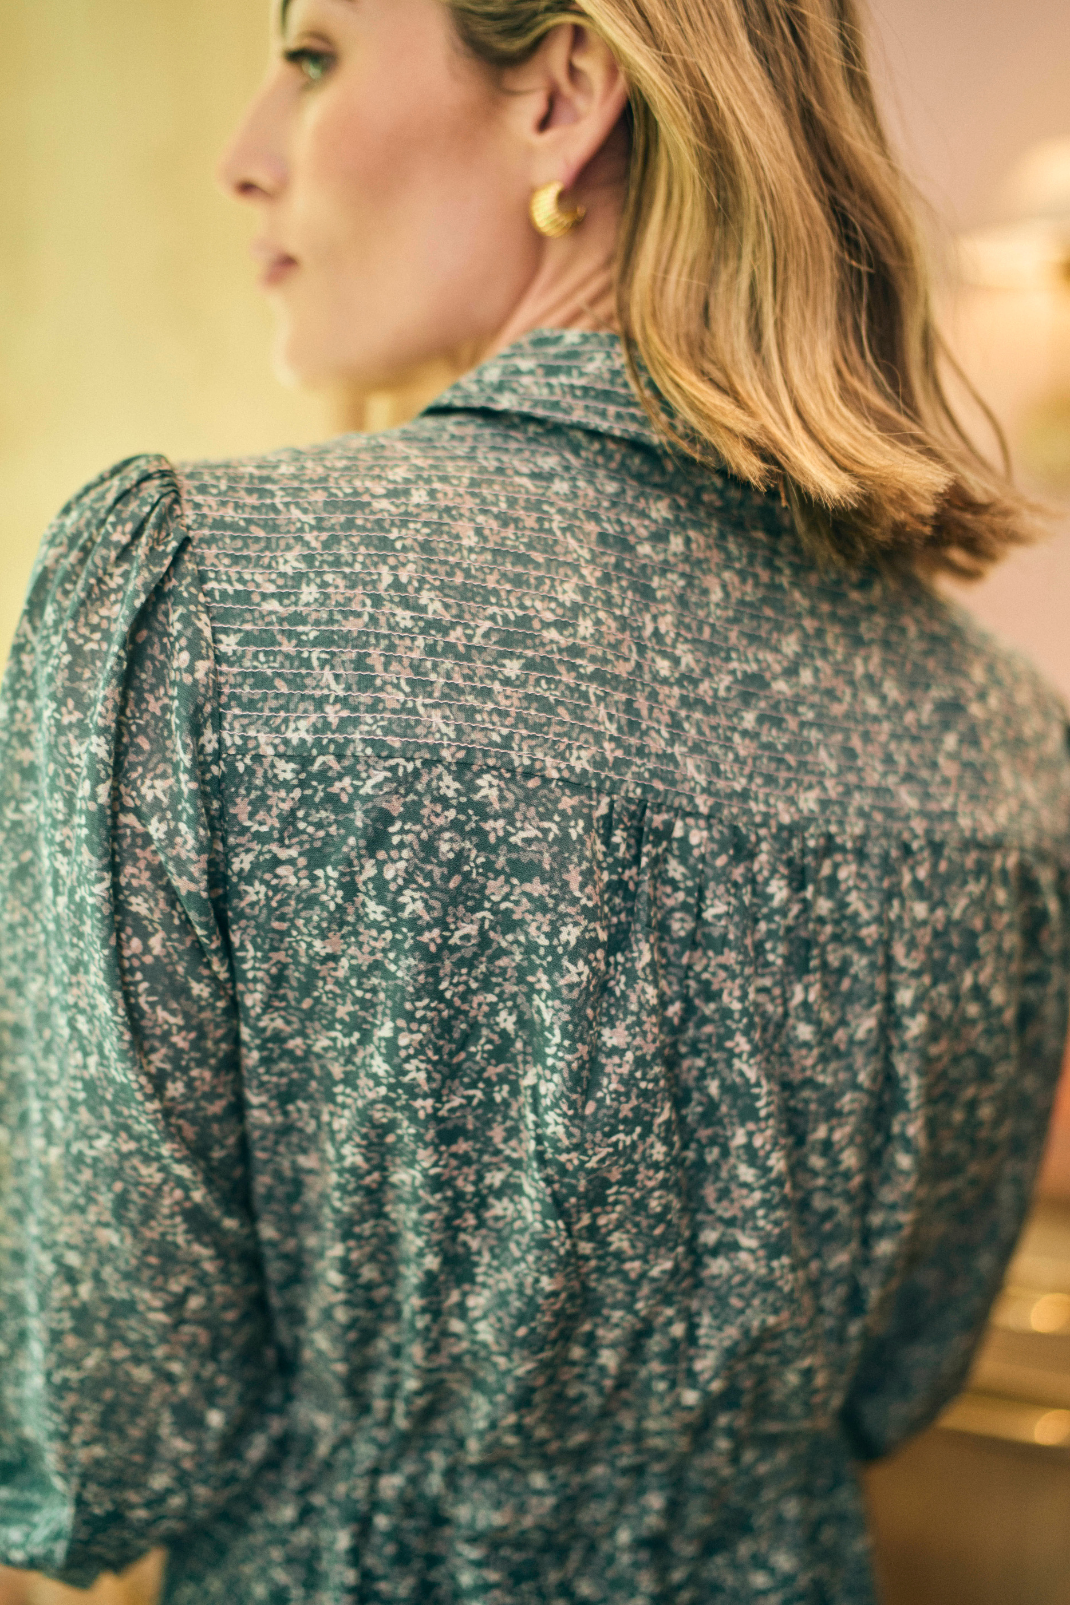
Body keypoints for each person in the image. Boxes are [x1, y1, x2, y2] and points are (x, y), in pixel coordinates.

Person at [1, 0, 1068, 1600]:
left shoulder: (209, 601)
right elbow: (903, 1374)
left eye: (311, 56)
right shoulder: (1003, 734)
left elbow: (106, 1428)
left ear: (565, 94)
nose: (242, 157)